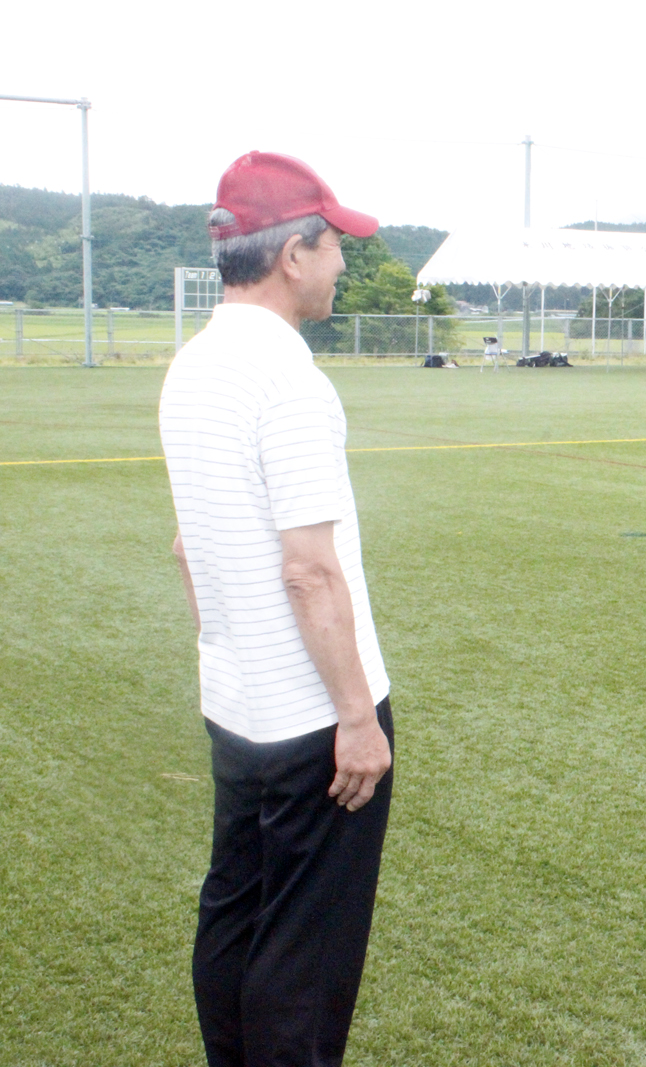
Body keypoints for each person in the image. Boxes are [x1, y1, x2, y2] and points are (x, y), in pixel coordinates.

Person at [159, 152, 395, 1067]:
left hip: (237, 703)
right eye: (334, 245)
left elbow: (191, 546)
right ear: (292, 254)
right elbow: (311, 571)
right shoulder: (288, 377)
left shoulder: (193, 362)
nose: (342, 263)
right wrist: (354, 716)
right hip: (311, 720)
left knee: (238, 911)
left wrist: (223, 648)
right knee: (307, 946)